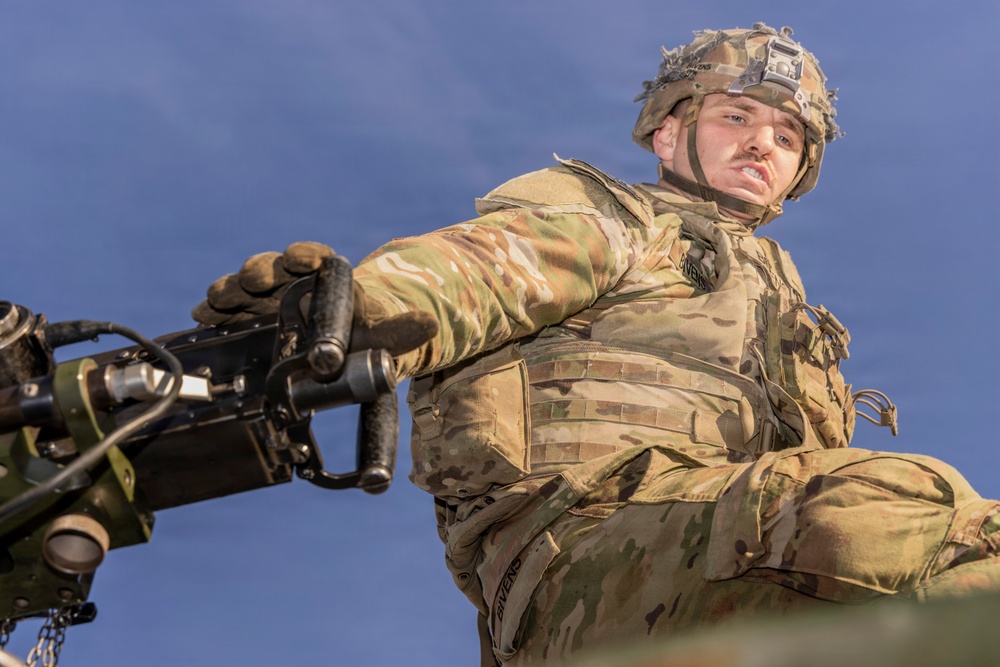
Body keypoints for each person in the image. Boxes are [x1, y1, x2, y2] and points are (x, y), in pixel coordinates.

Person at [193, 24, 1000, 666]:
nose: (764, 144)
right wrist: (339, 313)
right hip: (587, 551)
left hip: (745, 580)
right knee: (891, 511)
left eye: (788, 136)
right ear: (667, 132)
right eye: (737, 116)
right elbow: (470, 277)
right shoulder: (619, 221)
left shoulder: (790, 316)